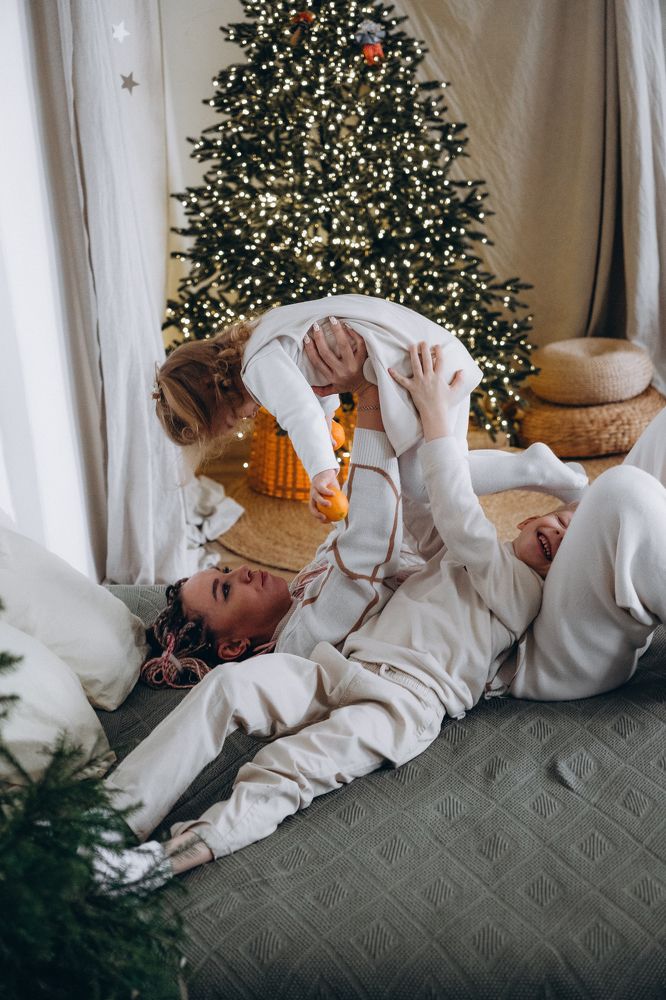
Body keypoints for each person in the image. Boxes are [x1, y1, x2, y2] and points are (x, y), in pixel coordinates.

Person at [100, 330, 577, 889]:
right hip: (354, 676)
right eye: (226, 590)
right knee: (230, 691)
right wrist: (375, 400)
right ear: (235, 644)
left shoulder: (321, 584)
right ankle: (111, 821)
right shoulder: (296, 640)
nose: (241, 571)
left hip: (401, 697)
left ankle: (160, 857)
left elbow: (403, 517)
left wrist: (362, 410)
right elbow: (387, 533)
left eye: (224, 571)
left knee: (287, 769)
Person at [153, 295, 586, 555]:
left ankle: (536, 468)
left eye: (231, 421)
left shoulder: (256, 368)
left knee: (419, 481)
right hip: (428, 348)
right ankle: (533, 470)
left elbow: (299, 409)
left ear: (216, 393)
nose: (243, 423)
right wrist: (328, 424)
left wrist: (322, 475)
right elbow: (313, 384)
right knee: (440, 471)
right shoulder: (261, 338)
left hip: (411, 365)